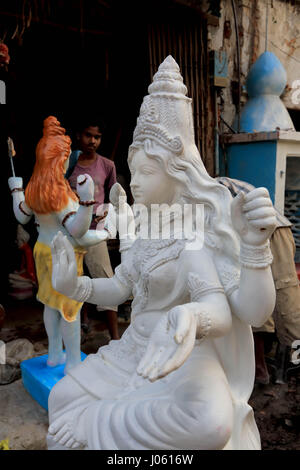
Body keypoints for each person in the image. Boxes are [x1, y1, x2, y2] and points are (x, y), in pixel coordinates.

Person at [47, 56, 276, 450]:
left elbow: (237, 312)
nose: (136, 182)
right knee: (60, 397)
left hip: (187, 351)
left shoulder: (196, 230)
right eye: (133, 171)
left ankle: (101, 420)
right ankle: (108, 413)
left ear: (177, 170)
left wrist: (252, 249)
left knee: (210, 422)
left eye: (147, 172)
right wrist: (76, 285)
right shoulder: (144, 227)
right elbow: (121, 287)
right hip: (137, 346)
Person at [8, 116, 109, 373]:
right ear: (57, 159)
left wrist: (16, 190)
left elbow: (21, 215)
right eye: (65, 156)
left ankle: (54, 355)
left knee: (50, 305)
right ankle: (73, 362)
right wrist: (87, 205)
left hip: (43, 250)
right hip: (62, 255)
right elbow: (77, 230)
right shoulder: (59, 192)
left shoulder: (35, 188)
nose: (68, 161)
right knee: (69, 309)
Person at [217, 177, 300, 384]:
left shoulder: (214, 188)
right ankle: (261, 368)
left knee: (284, 296)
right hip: (253, 234)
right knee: (254, 296)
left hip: (273, 231)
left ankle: (292, 361)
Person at [67, 118, 119, 340]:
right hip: (69, 231)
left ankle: (114, 336)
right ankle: (81, 323)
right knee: (73, 278)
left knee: (105, 280)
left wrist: (108, 211)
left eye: (97, 137)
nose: (93, 141)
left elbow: (114, 196)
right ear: (79, 135)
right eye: (88, 135)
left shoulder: (107, 165)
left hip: (95, 231)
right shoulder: (68, 163)